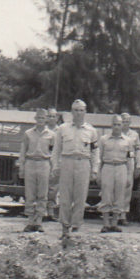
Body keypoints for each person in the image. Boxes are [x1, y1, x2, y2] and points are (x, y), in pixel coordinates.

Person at [51, 99, 100, 245]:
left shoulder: (91, 131)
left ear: (85, 112)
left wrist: (95, 169)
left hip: (83, 163)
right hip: (67, 162)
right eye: (76, 110)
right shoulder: (62, 129)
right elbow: (56, 150)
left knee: (80, 197)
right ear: (71, 112)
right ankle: (65, 228)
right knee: (65, 197)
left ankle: (76, 227)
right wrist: (55, 166)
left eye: (81, 110)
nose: (78, 113)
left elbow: (95, 152)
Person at [17, 108, 54, 232]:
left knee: (42, 194)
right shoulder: (28, 133)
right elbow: (23, 150)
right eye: (38, 118)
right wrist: (21, 166)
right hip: (30, 162)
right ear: (35, 119)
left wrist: (53, 168)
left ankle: (39, 221)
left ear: (46, 119)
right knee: (30, 193)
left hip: (44, 163)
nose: (40, 120)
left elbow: (53, 152)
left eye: (43, 118)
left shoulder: (51, 135)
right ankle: (30, 221)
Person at [97, 115, 133, 233]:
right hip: (107, 167)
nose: (117, 127)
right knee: (106, 195)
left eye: (119, 124)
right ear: (111, 125)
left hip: (121, 167)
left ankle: (115, 223)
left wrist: (129, 175)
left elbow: (130, 159)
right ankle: (106, 223)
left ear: (122, 125)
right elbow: (99, 158)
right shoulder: (104, 139)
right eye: (114, 124)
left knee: (119, 196)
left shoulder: (128, 141)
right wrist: (98, 174)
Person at [119, 113, 140, 226]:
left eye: (127, 121)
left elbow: (138, 150)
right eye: (123, 121)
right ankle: (113, 213)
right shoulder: (114, 133)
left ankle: (123, 215)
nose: (125, 123)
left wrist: (138, 165)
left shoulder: (134, 135)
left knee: (127, 189)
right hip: (116, 162)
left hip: (129, 162)